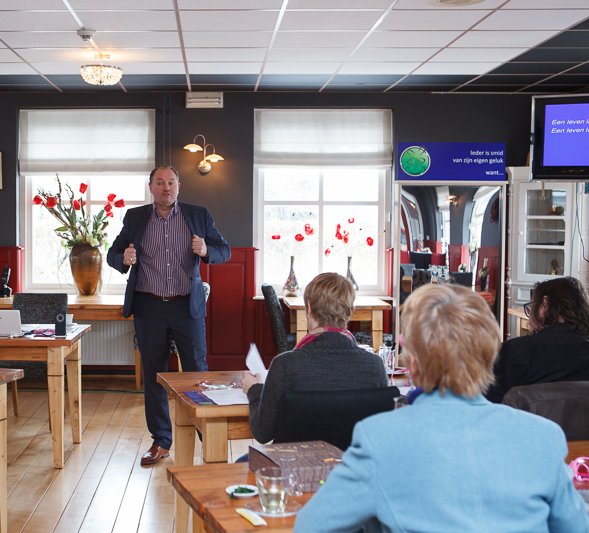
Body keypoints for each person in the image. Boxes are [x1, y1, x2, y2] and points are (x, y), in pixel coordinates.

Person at [294, 284, 588, 533]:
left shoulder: (380, 438)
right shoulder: (544, 437)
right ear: (488, 355)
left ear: (413, 364)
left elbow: (310, 527)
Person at [108, 165, 231, 465]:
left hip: (186, 307)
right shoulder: (135, 218)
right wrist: (122, 258)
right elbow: (113, 253)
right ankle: (161, 441)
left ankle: (207, 440)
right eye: (160, 183)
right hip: (149, 307)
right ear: (150, 187)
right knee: (154, 376)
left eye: (172, 182)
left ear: (179, 186)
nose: (166, 188)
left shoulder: (198, 214)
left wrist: (205, 251)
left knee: (197, 376)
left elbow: (224, 250)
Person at [241, 273, 388, 445]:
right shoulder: (375, 365)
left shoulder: (285, 365)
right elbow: (379, 430)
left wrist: (255, 390)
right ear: (350, 310)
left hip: (293, 467)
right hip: (352, 467)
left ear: (309, 309)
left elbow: (262, 432)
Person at [486, 276, 589, 403]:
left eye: (530, 308)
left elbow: (486, 408)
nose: (528, 322)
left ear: (543, 307)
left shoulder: (513, 352)